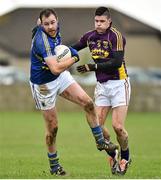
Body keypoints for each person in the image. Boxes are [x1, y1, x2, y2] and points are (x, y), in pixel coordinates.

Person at [29, 8, 118, 176]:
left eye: (53, 22)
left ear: (57, 20)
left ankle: (100, 142)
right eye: (46, 24)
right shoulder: (43, 41)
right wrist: (74, 57)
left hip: (61, 77)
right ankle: (55, 167)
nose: (51, 27)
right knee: (53, 129)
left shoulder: (52, 27)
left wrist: (40, 22)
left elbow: (39, 22)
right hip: (43, 85)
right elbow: (55, 68)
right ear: (42, 25)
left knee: (88, 103)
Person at [72, 7, 131, 175]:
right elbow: (74, 48)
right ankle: (113, 152)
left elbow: (117, 62)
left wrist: (92, 66)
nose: (98, 24)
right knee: (97, 126)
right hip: (102, 86)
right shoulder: (89, 36)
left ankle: (125, 157)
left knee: (118, 127)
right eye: (96, 21)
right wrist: (58, 52)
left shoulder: (116, 37)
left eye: (102, 21)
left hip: (119, 84)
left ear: (109, 22)